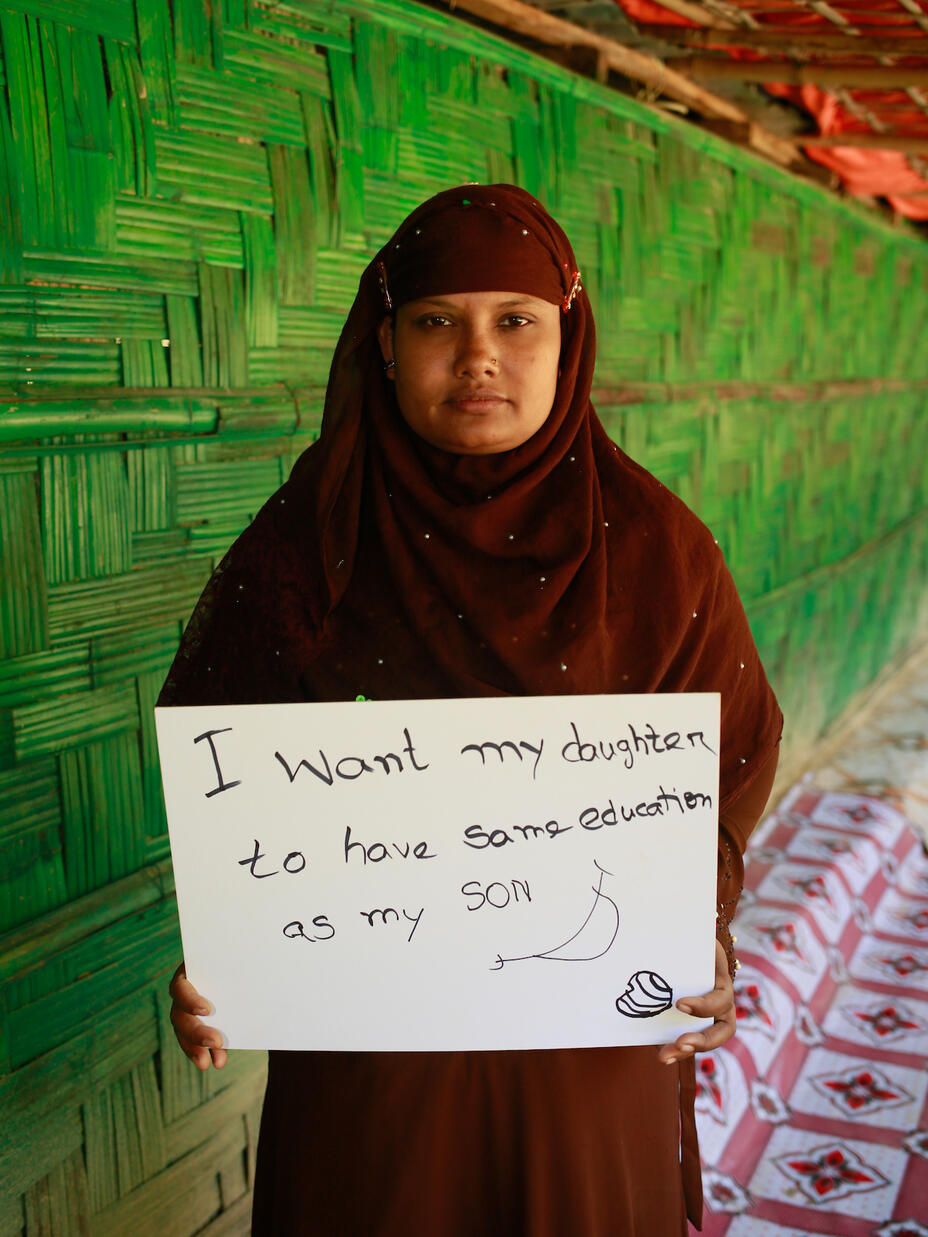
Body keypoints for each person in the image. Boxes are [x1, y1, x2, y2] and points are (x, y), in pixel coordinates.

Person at [164, 183, 781, 1234]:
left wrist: (699, 933)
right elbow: (226, 772)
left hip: (589, 1048)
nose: (479, 353)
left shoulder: (653, 549)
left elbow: (728, 759)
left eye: (517, 321)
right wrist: (229, 948)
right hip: (370, 1055)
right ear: (387, 343)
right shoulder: (306, 547)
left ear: (567, 336)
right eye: (438, 321)